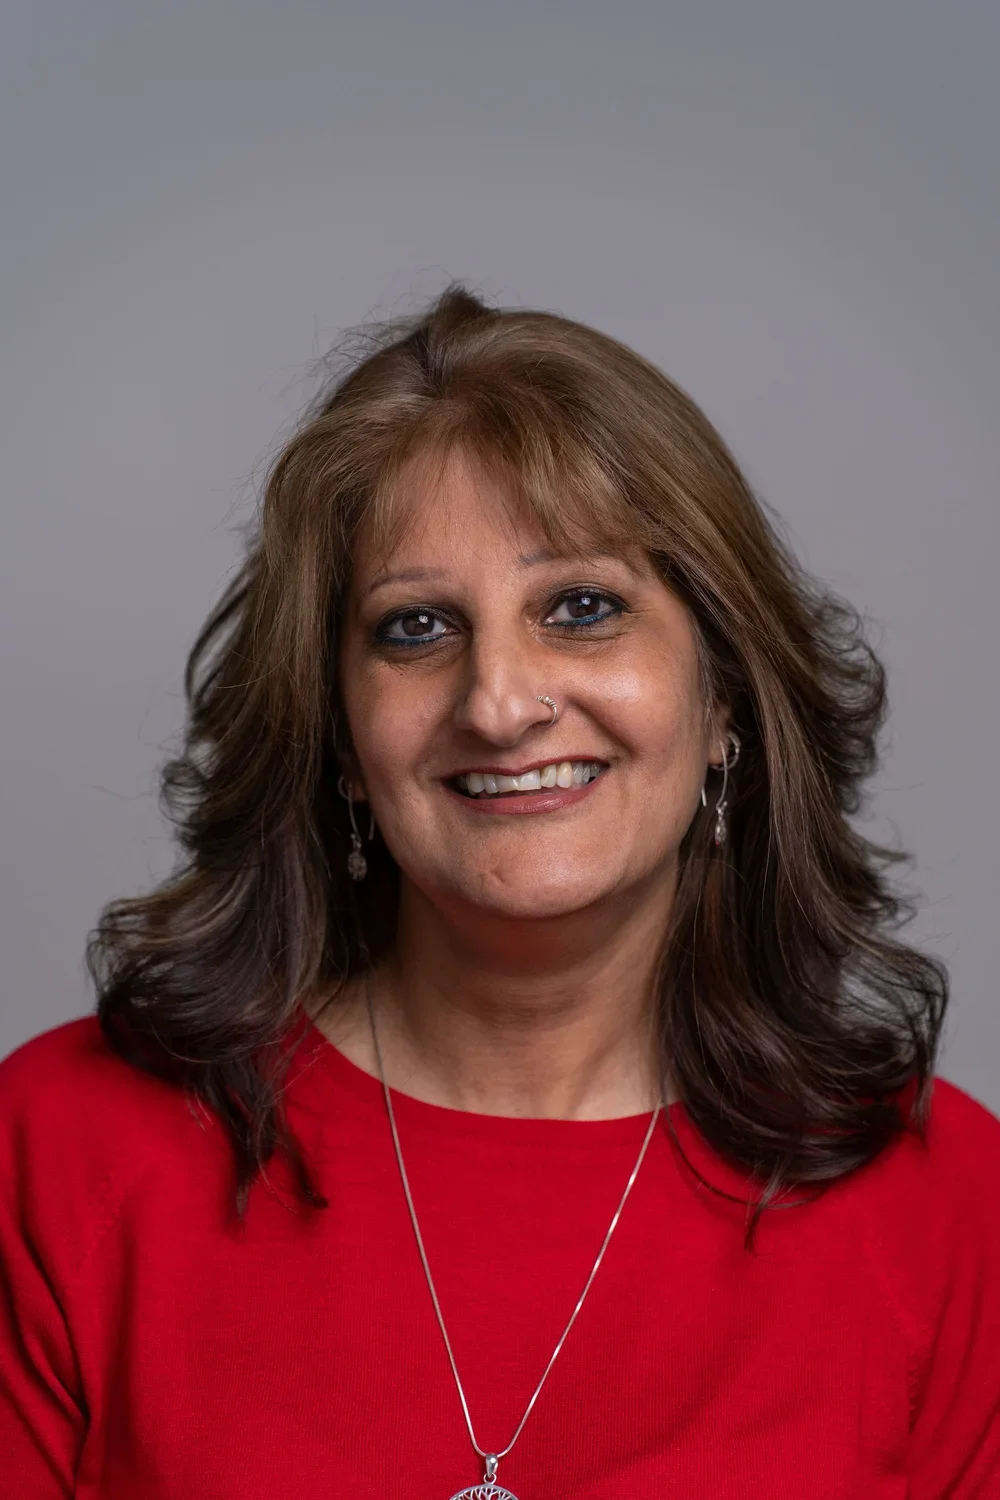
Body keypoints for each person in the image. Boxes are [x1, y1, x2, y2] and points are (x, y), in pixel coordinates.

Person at [1, 286, 998, 1500]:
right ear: (336, 736)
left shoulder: (946, 1207)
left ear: (725, 697)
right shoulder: (60, 1152)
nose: (498, 701)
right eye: (415, 627)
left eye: (582, 608)